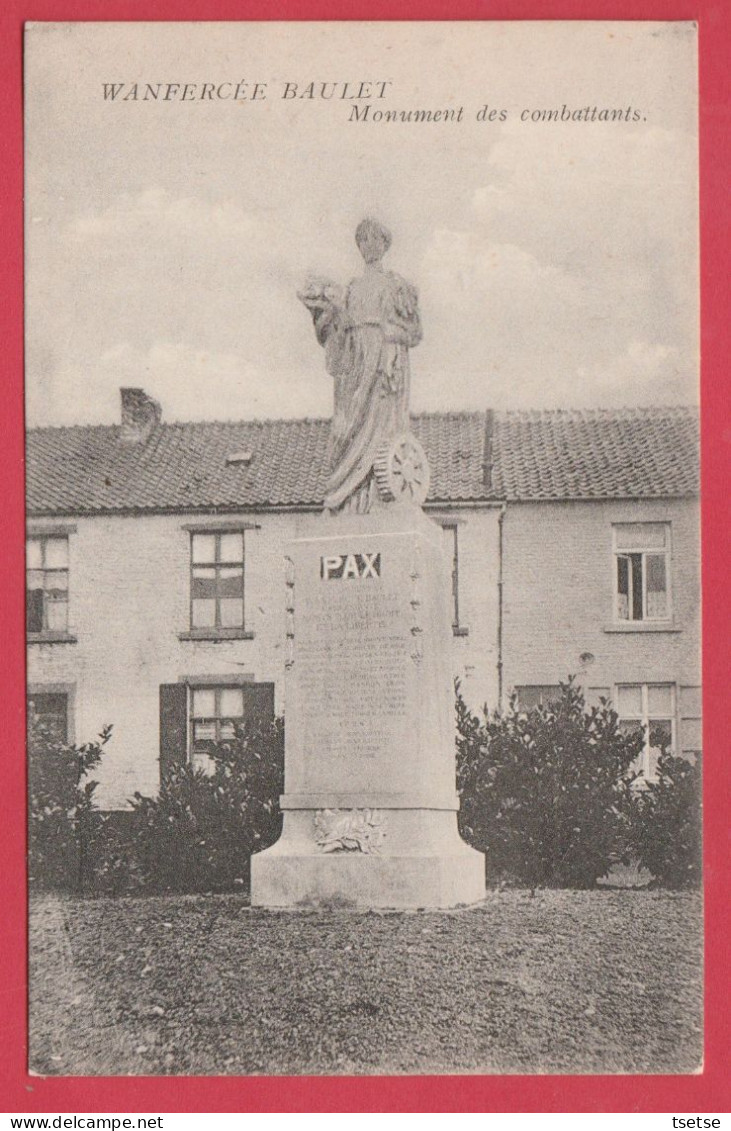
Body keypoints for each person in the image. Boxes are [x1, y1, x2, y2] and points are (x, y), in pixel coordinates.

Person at [298, 218, 422, 513]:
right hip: (354, 365)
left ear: (384, 243)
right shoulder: (350, 288)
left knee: (381, 429)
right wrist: (325, 311)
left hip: (383, 364)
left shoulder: (397, 285)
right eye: (362, 241)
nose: (368, 246)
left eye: (373, 239)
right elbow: (335, 329)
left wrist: (388, 338)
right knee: (345, 429)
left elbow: (415, 333)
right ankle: (345, 499)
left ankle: (377, 500)